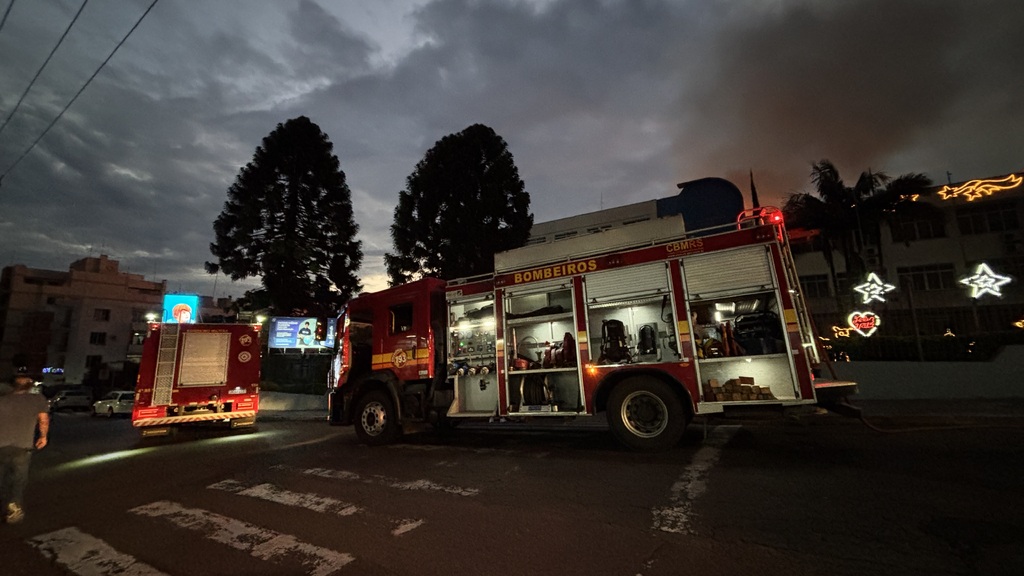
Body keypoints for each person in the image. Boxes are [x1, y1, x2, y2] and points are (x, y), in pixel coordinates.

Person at [0, 373, 49, 525]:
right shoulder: (37, 400)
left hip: (1, 446)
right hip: (23, 447)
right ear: (30, 384)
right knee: (19, 480)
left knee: (1, 478)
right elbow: (43, 420)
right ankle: (13, 507)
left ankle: (3, 504)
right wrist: (43, 437)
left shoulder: (3, 400)